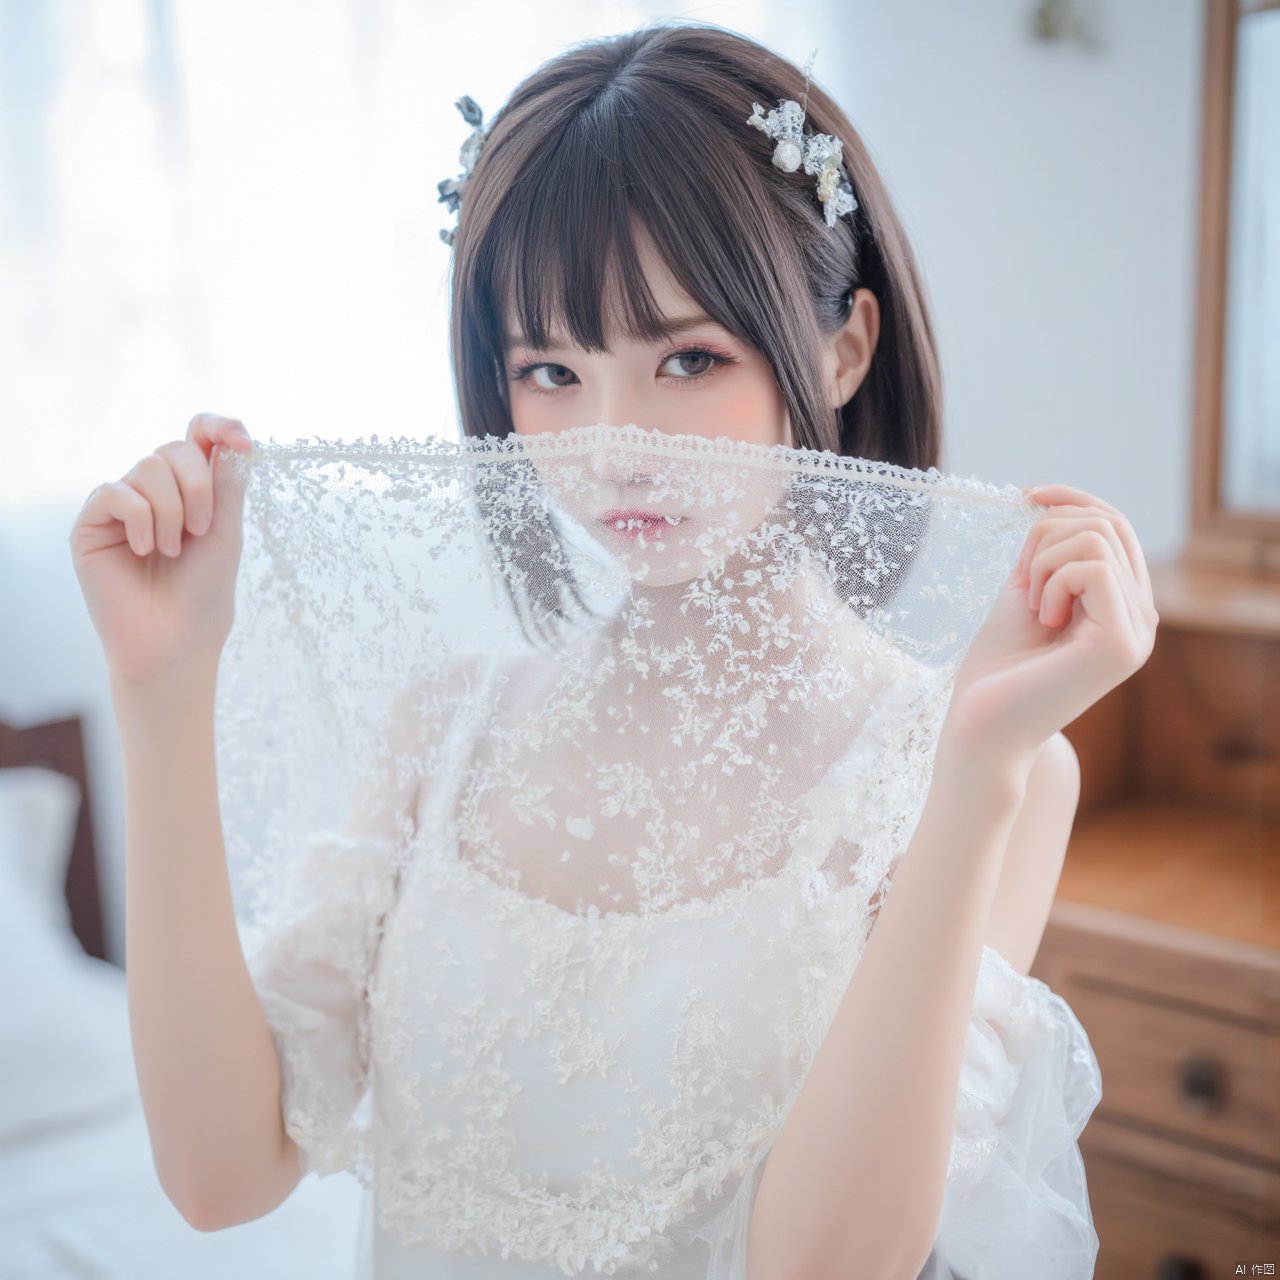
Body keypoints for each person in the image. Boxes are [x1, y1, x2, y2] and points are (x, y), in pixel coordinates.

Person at [68, 20, 1158, 1279]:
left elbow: (820, 1264)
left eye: (686, 357)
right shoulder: (445, 730)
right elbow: (217, 1174)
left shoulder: (980, 763)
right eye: (551, 369)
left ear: (843, 345)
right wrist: (159, 687)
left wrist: (972, 769)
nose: (616, 438)